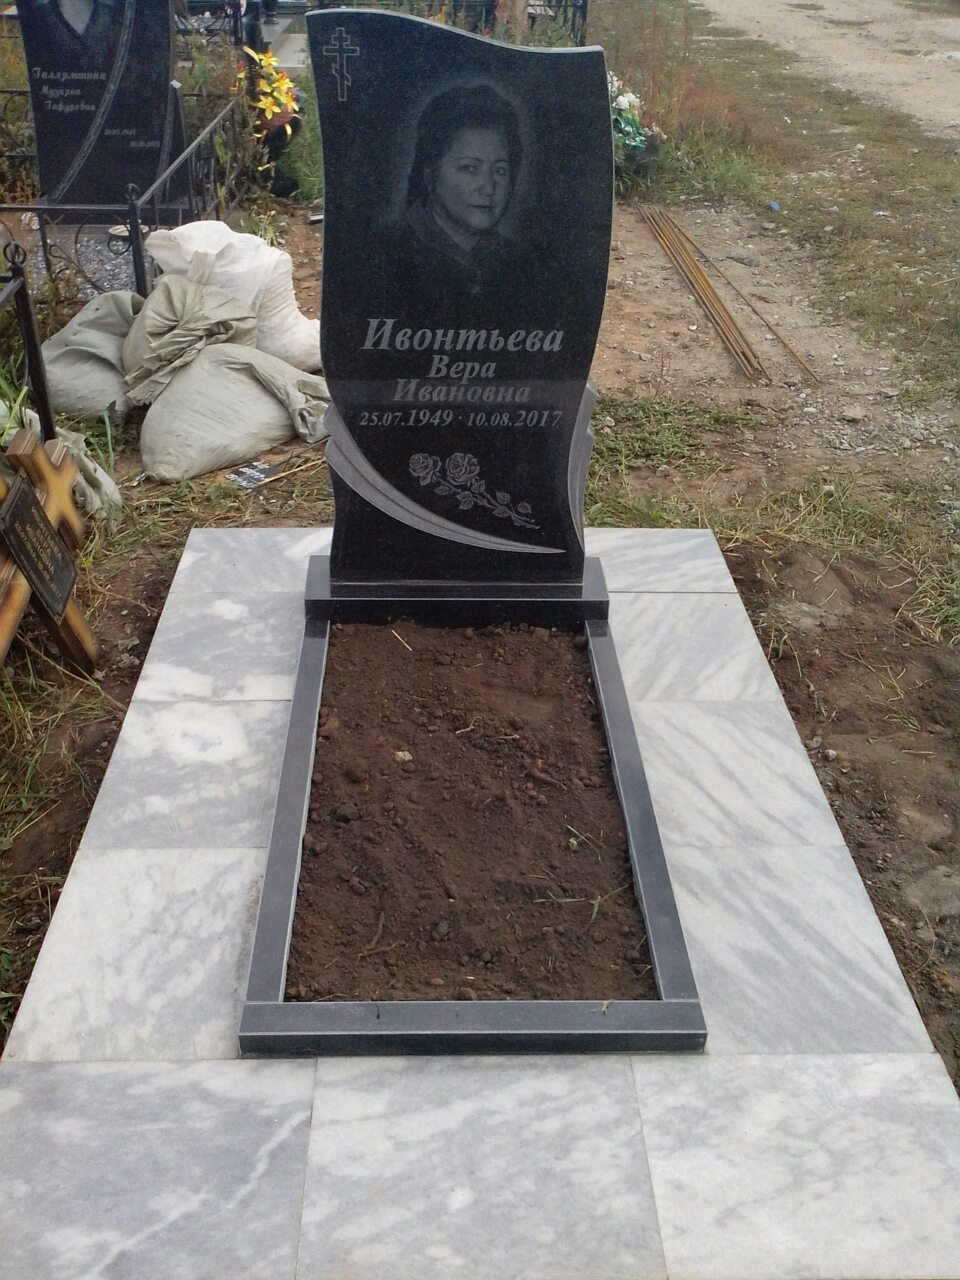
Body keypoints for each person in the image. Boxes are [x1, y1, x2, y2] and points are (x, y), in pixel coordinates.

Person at [375, 84, 546, 324]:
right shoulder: (382, 257)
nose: (488, 187)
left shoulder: (524, 265)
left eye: (500, 170)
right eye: (470, 168)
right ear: (430, 174)